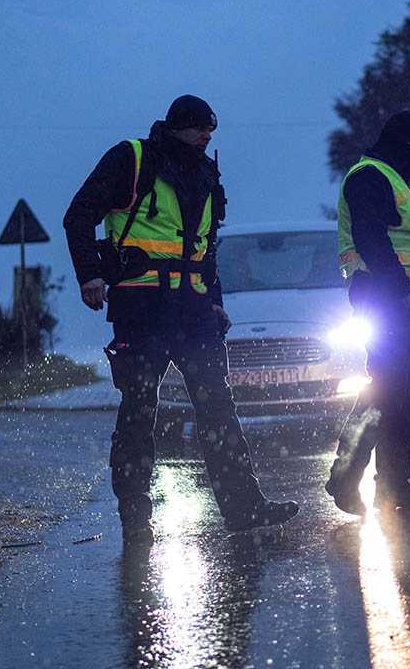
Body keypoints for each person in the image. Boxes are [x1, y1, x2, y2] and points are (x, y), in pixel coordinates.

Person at [63, 94, 299, 546]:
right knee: (139, 411)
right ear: (174, 127)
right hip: (141, 307)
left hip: (194, 311)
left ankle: (244, 508)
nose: (206, 136)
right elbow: (78, 216)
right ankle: (135, 517)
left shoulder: (206, 172)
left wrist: (215, 301)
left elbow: (205, 246)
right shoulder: (131, 160)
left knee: (218, 407)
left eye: (211, 130)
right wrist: (89, 275)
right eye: (198, 129)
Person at [325, 110, 410, 516]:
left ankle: (393, 486)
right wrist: (398, 289)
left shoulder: (391, 178)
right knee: (388, 393)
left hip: (404, 299)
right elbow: (370, 238)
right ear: (398, 144)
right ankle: (349, 478)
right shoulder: (370, 176)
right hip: (387, 297)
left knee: (407, 395)